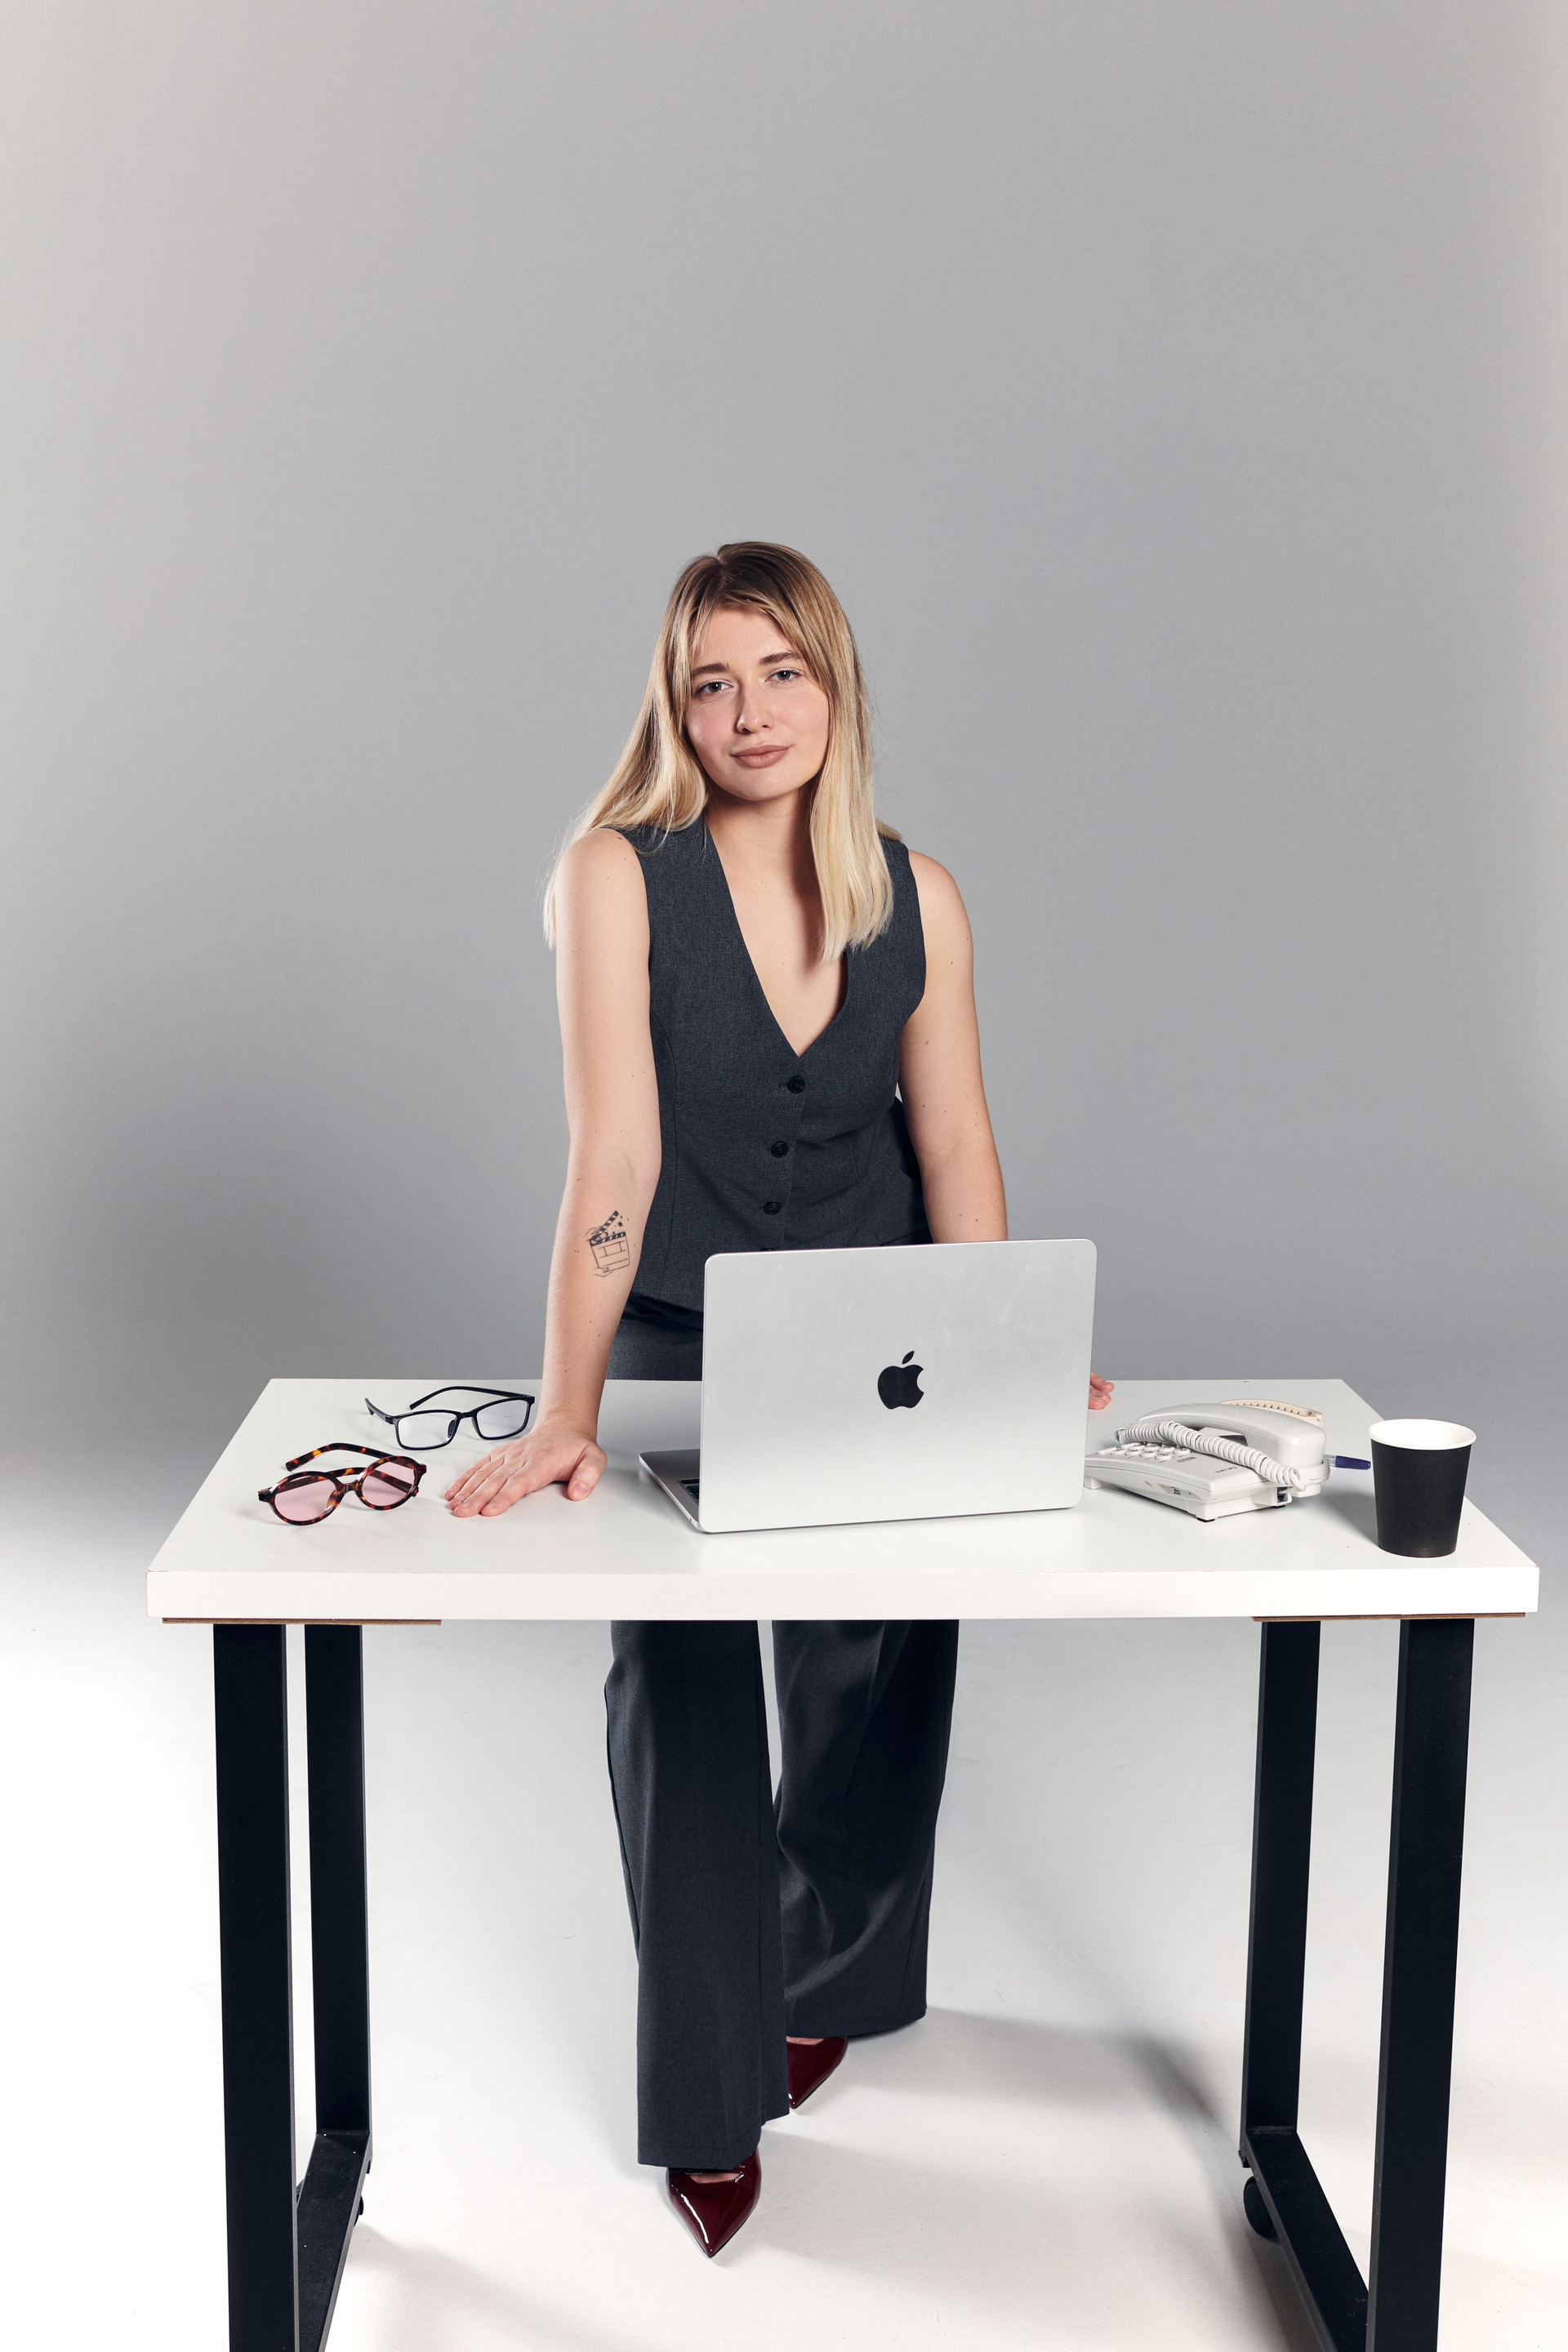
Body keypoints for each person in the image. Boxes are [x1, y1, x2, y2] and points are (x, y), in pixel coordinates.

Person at [444, 542, 1112, 2256]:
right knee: (683, 1689)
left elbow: (953, 1141)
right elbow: (614, 1155)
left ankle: (831, 1980)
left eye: (781, 673)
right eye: (712, 682)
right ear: (674, 707)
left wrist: (997, 1346)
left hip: (882, 1331)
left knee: (886, 1654)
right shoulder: (615, 875)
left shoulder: (922, 894)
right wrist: (566, 1407)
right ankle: (704, 2091)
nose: (750, 714)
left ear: (836, 685)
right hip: (680, 1323)